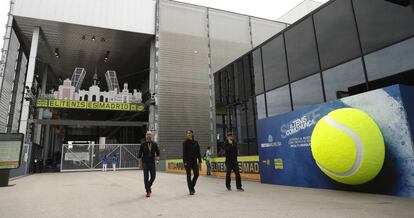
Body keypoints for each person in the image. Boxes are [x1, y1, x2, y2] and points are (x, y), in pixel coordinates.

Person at [138, 131, 160, 198]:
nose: (148, 135)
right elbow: (139, 155)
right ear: (145, 136)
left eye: (150, 134)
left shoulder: (155, 144)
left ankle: (148, 186)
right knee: (146, 177)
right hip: (145, 163)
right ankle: (148, 191)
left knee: (153, 176)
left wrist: (157, 159)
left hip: (152, 163)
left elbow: (158, 153)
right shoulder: (143, 144)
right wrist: (139, 163)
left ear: (152, 136)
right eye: (147, 134)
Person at [182, 129, 202, 195]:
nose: (188, 134)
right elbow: (184, 153)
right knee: (188, 176)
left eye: (189, 133)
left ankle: (191, 186)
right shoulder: (185, 143)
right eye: (187, 133)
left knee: (196, 174)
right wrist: (184, 162)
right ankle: (191, 190)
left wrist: (200, 160)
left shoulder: (196, 142)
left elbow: (198, 152)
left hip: (194, 161)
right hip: (187, 162)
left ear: (192, 134)